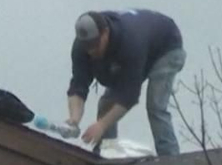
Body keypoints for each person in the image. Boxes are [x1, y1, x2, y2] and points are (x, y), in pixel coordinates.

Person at [67, 9, 187, 157]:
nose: (92, 51)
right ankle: (106, 154)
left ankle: (170, 157)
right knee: (106, 104)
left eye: (96, 45)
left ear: (105, 33)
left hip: (167, 46)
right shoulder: (81, 47)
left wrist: (101, 126)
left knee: (156, 106)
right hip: (142, 50)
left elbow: (129, 96)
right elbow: (78, 85)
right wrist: (74, 119)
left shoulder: (129, 42)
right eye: (87, 46)